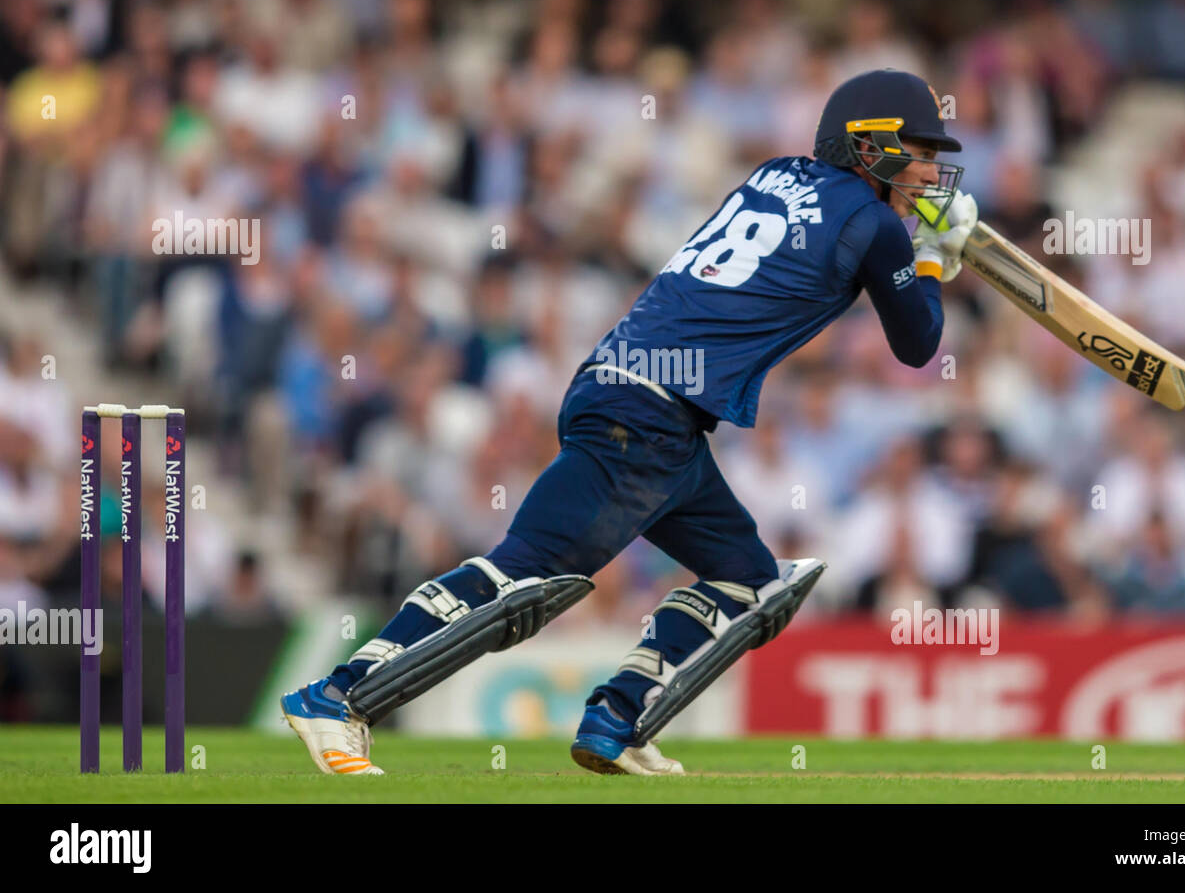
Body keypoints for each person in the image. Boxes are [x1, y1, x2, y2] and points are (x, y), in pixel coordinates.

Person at [281, 68, 978, 775]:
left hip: (638, 397)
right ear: (869, 147)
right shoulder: (876, 224)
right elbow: (918, 345)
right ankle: (336, 697)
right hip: (648, 414)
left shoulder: (776, 173)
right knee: (519, 577)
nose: (930, 170)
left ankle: (619, 718)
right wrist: (927, 261)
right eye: (920, 150)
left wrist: (906, 244)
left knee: (749, 583)